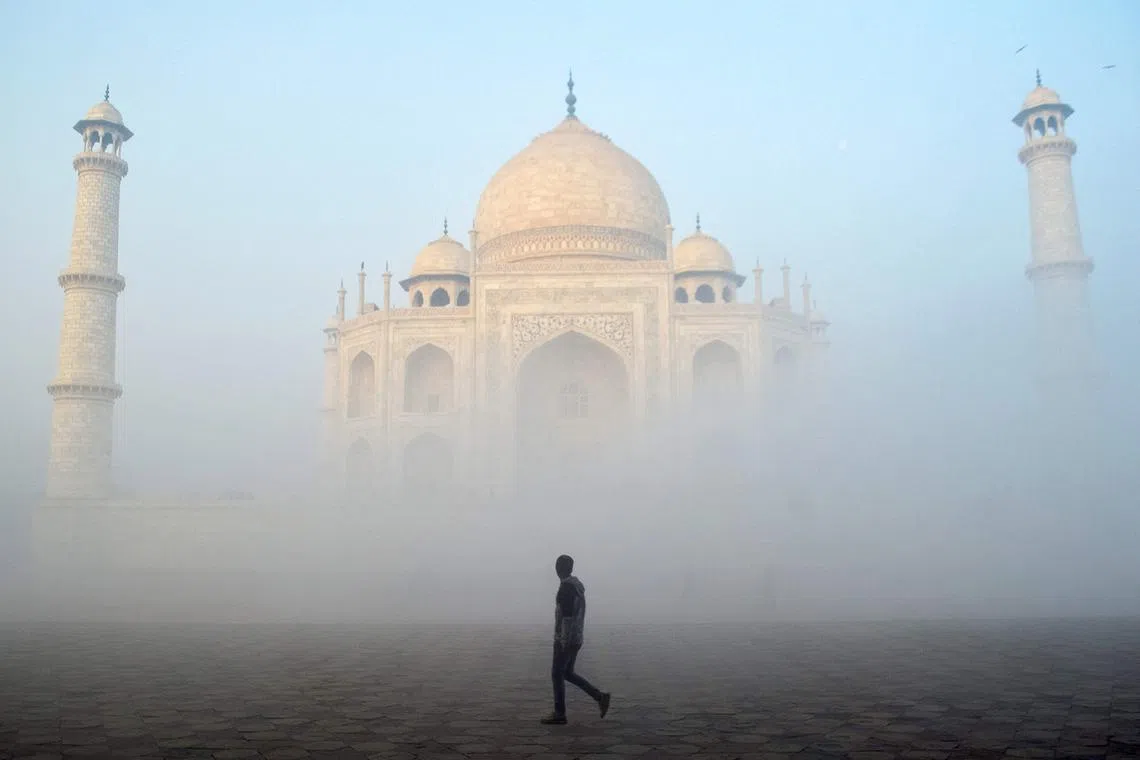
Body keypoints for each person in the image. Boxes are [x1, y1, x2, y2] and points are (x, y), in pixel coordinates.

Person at [541, 554, 611, 725]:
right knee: (567, 673)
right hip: (577, 637)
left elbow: (567, 618)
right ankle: (599, 697)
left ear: (559, 569)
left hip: (566, 639)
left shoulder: (566, 589)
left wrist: (563, 641)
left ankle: (559, 713)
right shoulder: (577, 587)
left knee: (557, 674)